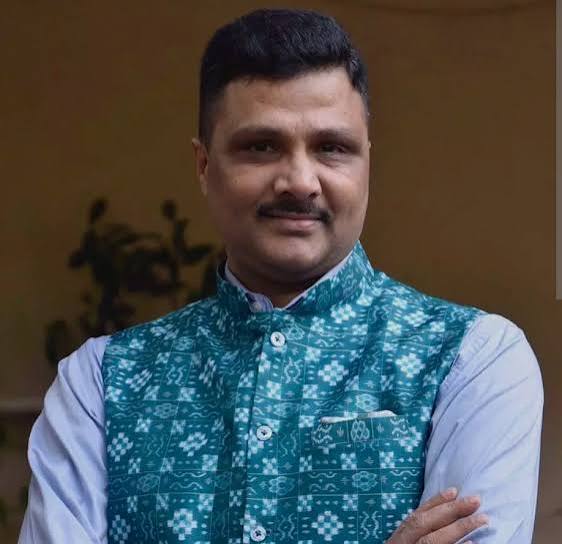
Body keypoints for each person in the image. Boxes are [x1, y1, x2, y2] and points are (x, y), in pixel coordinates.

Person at [19, 8, 543, 544]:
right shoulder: (100, 382)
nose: (299, 181)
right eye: (261, 146)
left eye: (332, 148)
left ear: (367, 163)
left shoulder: (473, 360)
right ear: (204, 166)